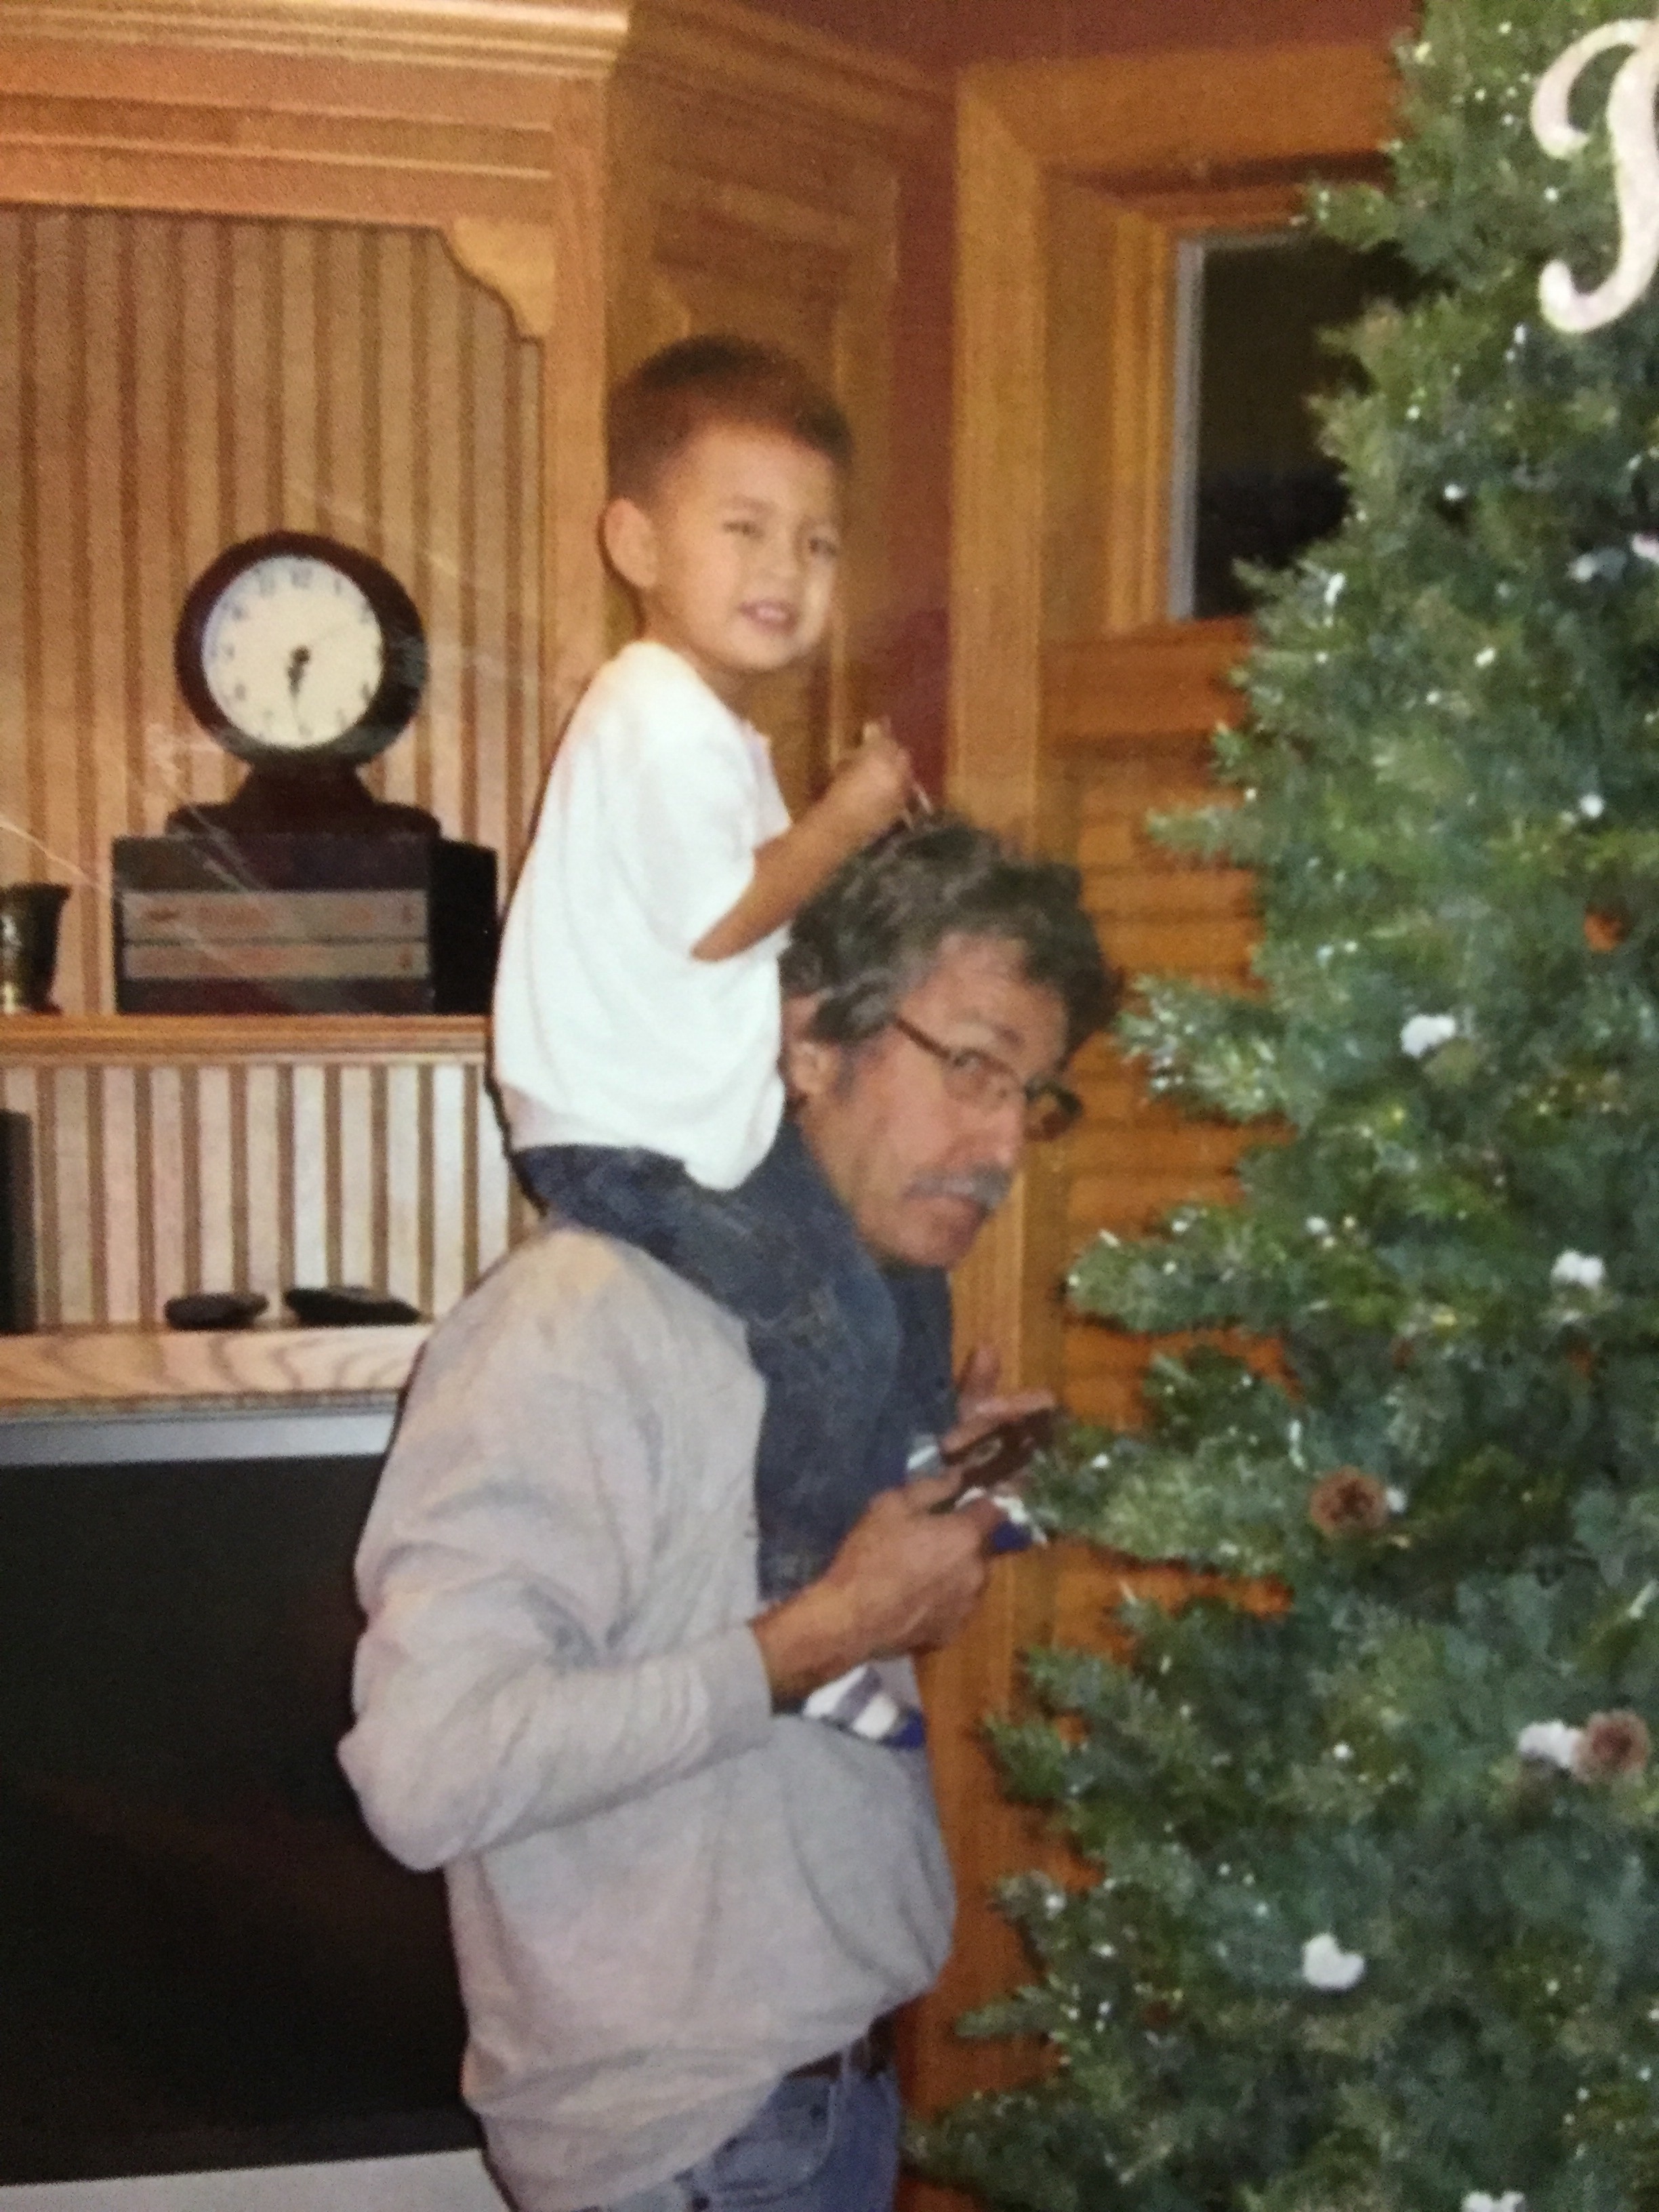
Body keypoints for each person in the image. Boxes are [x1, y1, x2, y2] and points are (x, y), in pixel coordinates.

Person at [341, 817, 1116, 2212]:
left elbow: (748, 1626)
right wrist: (827, 1634)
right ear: (811, 1040)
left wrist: (934, 1502)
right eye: (971, 1068)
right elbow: (428, 1770)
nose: (1006, 1143)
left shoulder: (850, 1324)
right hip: (700, 2153)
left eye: (1034, 1096)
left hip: (813, 2106)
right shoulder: (579, 1325)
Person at [491, 336, 932, 1674]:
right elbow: (722, 918)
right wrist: (849, 817)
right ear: (635, 542)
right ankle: (808, 1623)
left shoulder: (704, 728)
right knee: (835, 1327)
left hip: (674, 1122)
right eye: (744, 529)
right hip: (633, 1138)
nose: (784, 568)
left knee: (892, 1280)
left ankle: (896, 1486)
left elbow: (743, 938)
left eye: (817, 543)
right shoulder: (657, 715)